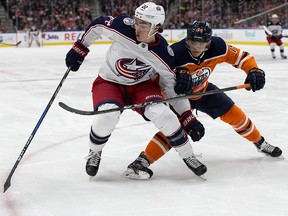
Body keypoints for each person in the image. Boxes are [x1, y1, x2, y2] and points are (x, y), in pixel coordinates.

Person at [124, 20, 283, 180]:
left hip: (204, 91)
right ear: (187, 40)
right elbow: (156, 80)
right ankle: (142, 161)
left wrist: (253, 70)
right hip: (180, 98)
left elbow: (242, 57)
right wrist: (175, 78)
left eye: (202, 43)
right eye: (193, 42)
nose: (197, 47)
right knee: (174, 130)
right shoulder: (174, 53)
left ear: (209, 41)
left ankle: (260, 143)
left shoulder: (218, 47)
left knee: (236, 115)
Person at [65, 2, 207, 179]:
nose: (136, 27)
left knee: (166, 116)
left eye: (142, 24)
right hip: (110, 82)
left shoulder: (164, 53)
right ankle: (95, 152)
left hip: (142, 86)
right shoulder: (123, 27)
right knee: (106, 115)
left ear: (156, 27)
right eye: (136, 21)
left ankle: (189, 156)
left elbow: (171, 89)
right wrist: (80, 48)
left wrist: (187, 116)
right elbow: (98, 25)